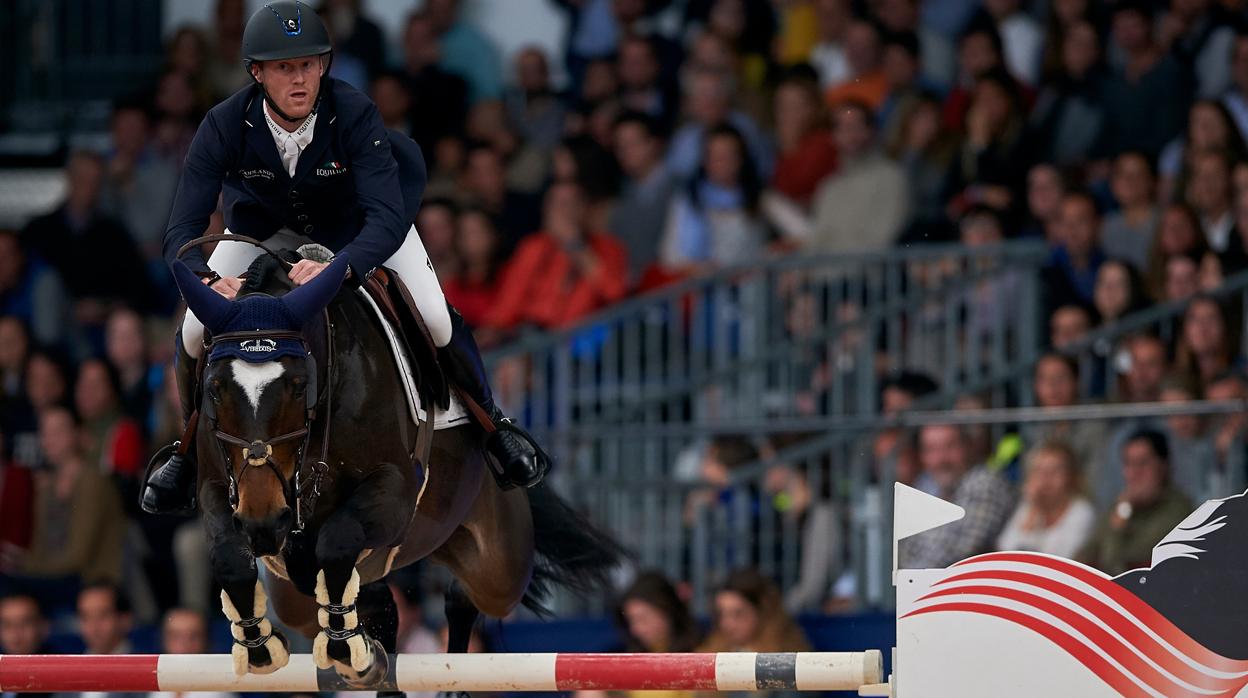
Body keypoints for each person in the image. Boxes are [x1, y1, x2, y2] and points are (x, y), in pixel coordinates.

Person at [142, 1, 544, 516]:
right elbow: (182, 227)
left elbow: (384, 215)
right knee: (196, 328)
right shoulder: (223, 124)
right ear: (257, 72)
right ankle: (187, 450)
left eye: (309, 64)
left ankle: (494, 427)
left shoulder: (353, 112)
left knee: (438, 318)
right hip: (262, 230)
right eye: (285, 67)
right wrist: (203, 278)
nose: (300, 78)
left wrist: (343, 266)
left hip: (364, 230)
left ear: (324, 65)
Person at [484, 181, 629, 331]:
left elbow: (615, 293)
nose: (561, 210)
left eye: (568, 203)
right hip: (534, 336)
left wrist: (575, 245)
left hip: (586, 338)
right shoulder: (533, 247)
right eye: (555, 204)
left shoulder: (607, 247)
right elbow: (508, 303)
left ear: (583, 208)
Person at [898, 424, 1015, 569]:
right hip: (930, 585)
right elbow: (906, 550)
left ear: (969, 447)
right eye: (931, 450)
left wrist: (913, 578)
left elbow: (963, 549)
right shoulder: (928, 486)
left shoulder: (984, 482)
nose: (941, 459)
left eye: (950, 446)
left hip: (972, 584)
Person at [1078, 430, 1193, 576]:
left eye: (1143, 463)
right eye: (1128, 464)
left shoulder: (1177, 510)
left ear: (1163, 466)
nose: (1134, 473)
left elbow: (1120, 567)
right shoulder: (1122, 505)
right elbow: (1084, 556)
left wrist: (1118, 525)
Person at [996, 441, 1096, 558]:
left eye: (1055, 471)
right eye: (1039, 470)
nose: (1045, 478)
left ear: (1071, 476)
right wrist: (1032, 513)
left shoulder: (1082, 512)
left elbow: (1062, 558)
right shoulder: (1028, 506)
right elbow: (1005, 550)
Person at [77, 584, 133, 655]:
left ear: (124, 619)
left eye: (102, 616)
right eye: (85, 617)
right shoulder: (73, 664)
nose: (93, 628)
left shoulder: (146, 664)